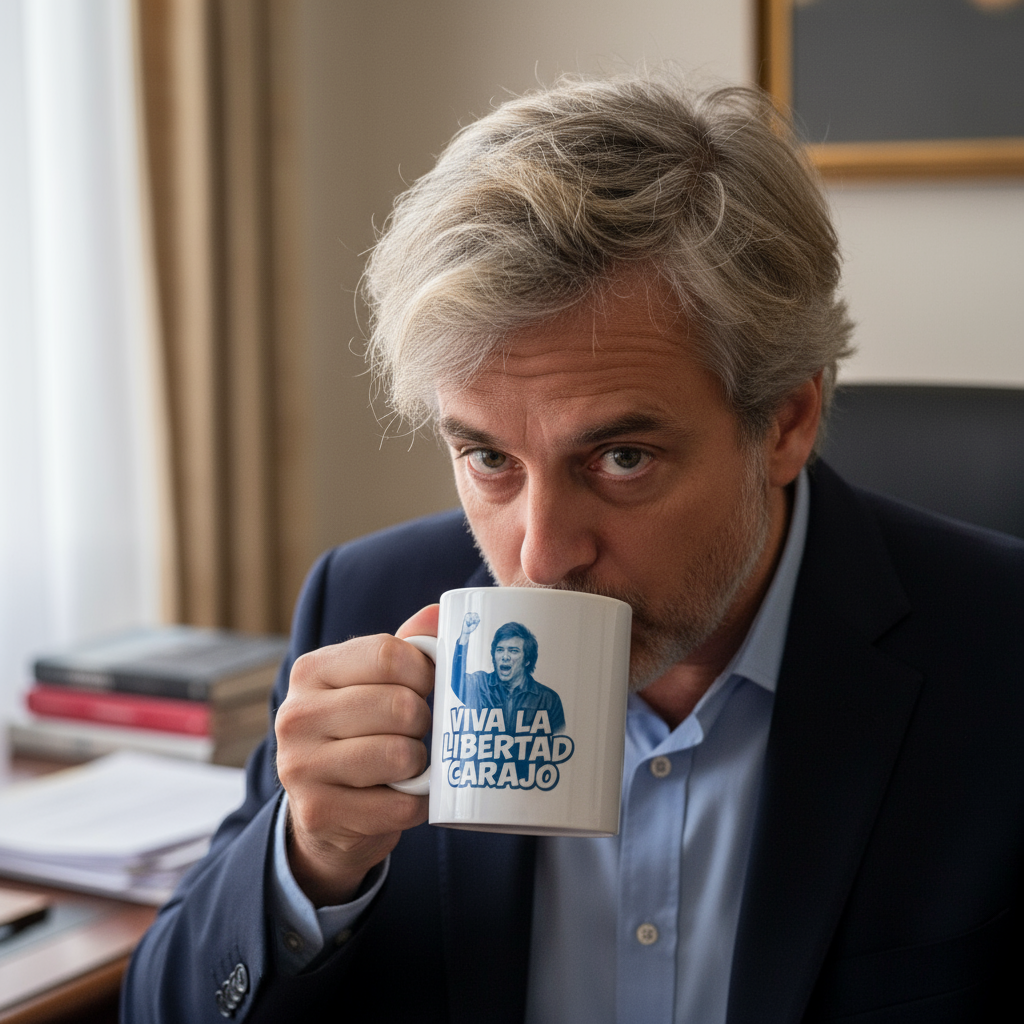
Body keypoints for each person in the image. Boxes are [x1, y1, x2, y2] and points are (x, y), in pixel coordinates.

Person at [124, 71, 1024, 1023]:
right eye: (488, 457)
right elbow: (161, 1007)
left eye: (621, 458)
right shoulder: (367, 606)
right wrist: (307, 861)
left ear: (788, 420)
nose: (541, 558)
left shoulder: (1000, 659)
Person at [451, 614, 566, 734]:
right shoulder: (480, 684)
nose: (505, 657)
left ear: (527, 660)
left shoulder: (548, 699)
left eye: (513, 651)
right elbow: (457, 682)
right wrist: (464, 636)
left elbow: (558, 743)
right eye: (500, 650)